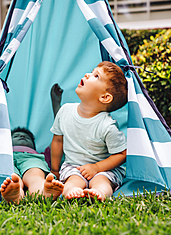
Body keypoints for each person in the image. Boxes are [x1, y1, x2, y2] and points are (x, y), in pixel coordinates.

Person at [50, 61, 128, 201]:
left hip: (104, 169)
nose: (87, 74)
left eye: (96, 76)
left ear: (104, 97)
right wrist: (55, 169)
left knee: (101, 181)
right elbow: (57, 140)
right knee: (72, 180)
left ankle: (100, 192)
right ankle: (72, 191)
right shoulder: (65, 111)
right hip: (74, 167)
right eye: (92, 72)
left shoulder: (107, 125)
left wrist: (97, 167)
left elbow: (122, 154)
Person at [0, 84, 65, 204]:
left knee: (35, 173)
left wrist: (56, 104)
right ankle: (16, 192)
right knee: (12, 176)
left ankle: (40, 192)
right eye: (16, 136)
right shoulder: (3, 150)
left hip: (31, 159)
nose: (22, 136)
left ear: (33, 146)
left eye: (27, 138)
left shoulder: (39, 154)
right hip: (8, 159)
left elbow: (59, 135)